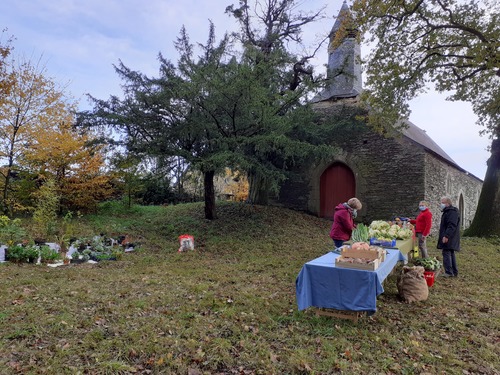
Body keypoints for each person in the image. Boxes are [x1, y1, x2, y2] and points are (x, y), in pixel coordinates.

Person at [437, 196, 460, 277]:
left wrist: (446, 236)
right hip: (449, 235)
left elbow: (451, 225)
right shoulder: (447, 211)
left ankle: (449, 272)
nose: (441, 204)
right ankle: (454, 272)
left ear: (448, 203)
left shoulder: (451, 212)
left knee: (446, 252)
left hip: (449, 236)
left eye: (443, 202)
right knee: (450, 252)